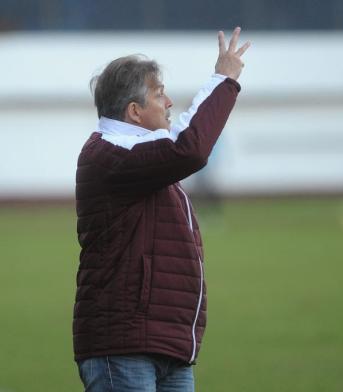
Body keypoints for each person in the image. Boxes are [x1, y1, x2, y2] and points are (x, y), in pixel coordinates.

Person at [73, 27, 250, 391]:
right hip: (126, 346)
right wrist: (224, 78)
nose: (169, 102)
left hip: (164, 343)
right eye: (160, 94)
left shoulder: (139, 156)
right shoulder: (109, 154)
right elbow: (190, 148)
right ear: (134, 111)